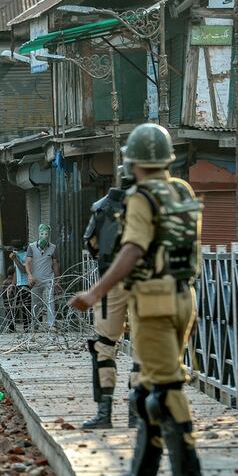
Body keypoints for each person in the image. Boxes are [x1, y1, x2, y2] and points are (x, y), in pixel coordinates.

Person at [69, 123, 205, 476]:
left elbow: (132, 250)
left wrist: (95, 293)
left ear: (133, 163)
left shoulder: (143, 197)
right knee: (145, 392)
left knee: (164, 391)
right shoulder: (181, 190)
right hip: (181, 298)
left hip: (154, 303)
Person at [81, 165, 140, 430]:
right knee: (143, 349)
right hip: (144, 284)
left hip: (109, 284)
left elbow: (91, 244)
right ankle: (136, 414)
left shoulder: (102, 207)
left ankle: (104, 413)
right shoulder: (149, 203)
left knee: (104, 344)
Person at [25, 224, 60, 329]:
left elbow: (55, 264)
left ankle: (51, 325)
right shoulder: (31, 247)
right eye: (42, 233)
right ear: (38, 234)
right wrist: (30, 276)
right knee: (36, 303)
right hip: (35, 279)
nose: (44, 236)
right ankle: (35, 326)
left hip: (49, 278)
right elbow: (27, 263)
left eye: (46, 234)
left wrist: (57, 279)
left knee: (50, 301)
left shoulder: (53, 247)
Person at [3, 240, 31, 332]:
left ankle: (27, 327)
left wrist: (15, 259)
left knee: (25, 307)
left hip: (25, 284)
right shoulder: (16, 254)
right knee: (13, 306)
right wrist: (12, 284)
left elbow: (23, 270)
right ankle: (11, 327)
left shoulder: (26, 255)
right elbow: (16, 272)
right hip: (18, 284)